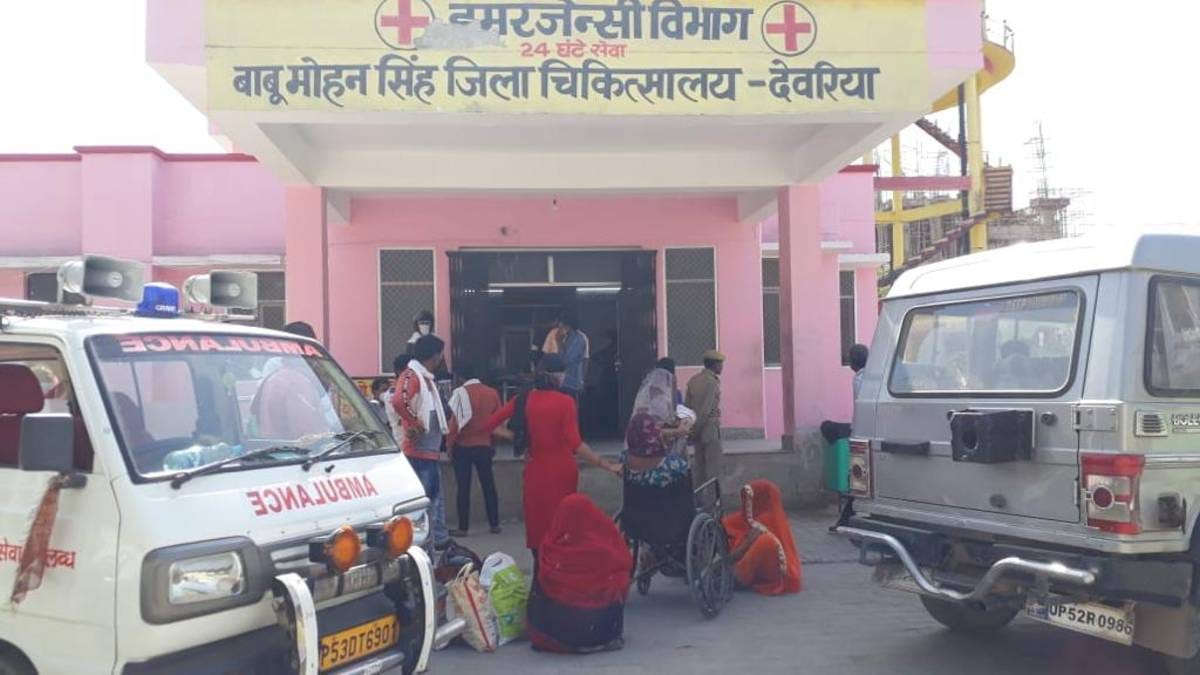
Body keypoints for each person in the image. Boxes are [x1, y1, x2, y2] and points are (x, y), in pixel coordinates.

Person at [485, 354, 620, 558]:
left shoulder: (522, 399)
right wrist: (604, 464)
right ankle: (558, 576)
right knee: (562, 525)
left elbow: (490, 425)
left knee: (537, 527)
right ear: (557, 376)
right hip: (562, 472)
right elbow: (575, 443)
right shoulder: (565, 402)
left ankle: (539, 578)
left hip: (534, 472)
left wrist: (517, 437)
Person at [527, 494, 632, 654]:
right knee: (619, 575)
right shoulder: (603, 548)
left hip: (553, 635)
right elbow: (625, 564)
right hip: (597, 631)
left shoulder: (550, 547)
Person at [394, 335, 452, 550]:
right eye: (440, 354)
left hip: (428, 453)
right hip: (419, 454)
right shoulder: (412, 374)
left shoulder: (424, 376)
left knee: (432, 508)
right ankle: (423, 554)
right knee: (425, 510)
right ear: (435, 355)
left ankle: (431, 550)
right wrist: (415, 422)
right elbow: (399, 400)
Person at [446, 365, 503, 537]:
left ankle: (463, 527)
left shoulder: (459, 393)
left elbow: (454, 424)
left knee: (463, 488)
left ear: (461, 377)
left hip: (463, 445)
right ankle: (495, 523)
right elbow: (498, 421)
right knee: (489, 485)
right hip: (484, 445)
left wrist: (449, 445)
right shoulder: (492, 393)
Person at [723, 479, 803, 596]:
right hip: (745, 563)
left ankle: (738, 577)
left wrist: (731, 557)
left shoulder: (768, 518)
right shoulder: (751, 516)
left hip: (770, 569)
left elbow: (744, 547)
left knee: (766, 542)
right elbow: (730, 522)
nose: (747, 504)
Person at [822, 343, 869, 531]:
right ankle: (846, 519)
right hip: (863, 431)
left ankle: (845, 520)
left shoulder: (860, 379)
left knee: (857, 480)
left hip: (862, 434)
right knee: (857, 481)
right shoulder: (872, 377)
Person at [622, 368, 692, 488]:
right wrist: (678, 431)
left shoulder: (625, 461)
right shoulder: (675, 466)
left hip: (638, 505)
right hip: (670, 504)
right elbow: (686, 486)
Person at [685, 350, 724, 489]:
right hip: (709, 430)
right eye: (720, 364)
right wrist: (697, 430)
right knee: (713, 472)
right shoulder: (711, 382)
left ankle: (698, 504)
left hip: (695, 429)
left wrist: (690, 431)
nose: (722, 367)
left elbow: (687, 409)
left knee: (699, 470)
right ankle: (712, 506)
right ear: (714, 365)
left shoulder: (693, 380)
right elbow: (705, 411)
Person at [556, 312, 589, 402]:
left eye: (561, 327)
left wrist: (559, 343)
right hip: (563, 382)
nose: (559, 329)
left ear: (568, 326)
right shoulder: (566, 338)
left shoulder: (579, 339)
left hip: (573, 383)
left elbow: (567, 360)